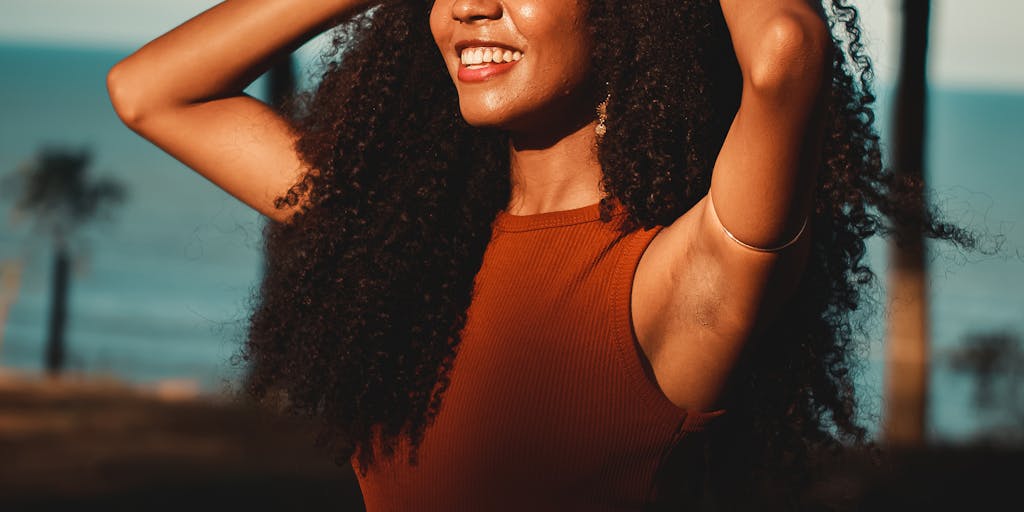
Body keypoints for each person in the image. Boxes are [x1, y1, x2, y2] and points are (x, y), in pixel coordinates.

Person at [107, 0, 969, 509]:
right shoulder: (407, 244)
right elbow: (149, 91)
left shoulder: (675, 283)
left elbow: (785, 52)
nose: (472, 4)